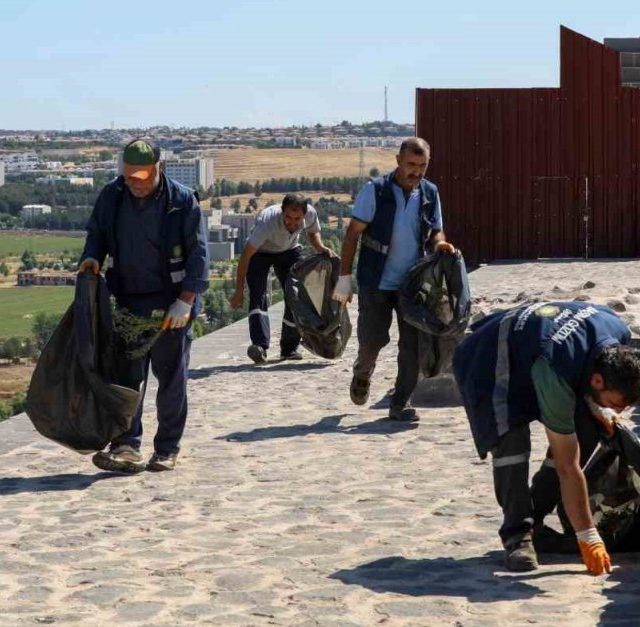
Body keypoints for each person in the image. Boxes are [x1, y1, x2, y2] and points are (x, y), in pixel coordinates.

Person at [451, 301, 640, 575]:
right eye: (615, 402)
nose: (618, 410)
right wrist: (588, 535)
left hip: (533, 351)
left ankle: (534, 517)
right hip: (489, 359)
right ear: (597, 381)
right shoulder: (556, 369)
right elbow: (567, 467)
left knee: (587, 430)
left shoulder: (619, 334)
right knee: (512, 444)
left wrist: (598, 408)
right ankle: (517, 536)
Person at [77, 139, 209, 474]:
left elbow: (199, 255)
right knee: (126, 378)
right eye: (129, 176)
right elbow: (97, 234)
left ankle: (166, 449)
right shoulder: (113, 195)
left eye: (141, 177)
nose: (134, 183)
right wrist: (91, 256)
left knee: (171, 380)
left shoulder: (181, 201)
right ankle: (125, 445)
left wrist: (186, 300)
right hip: (129, 301)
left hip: (171, 305)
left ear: (158, 168)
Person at [332, 137, 455, 422]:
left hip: (412, 285)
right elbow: (352, 235)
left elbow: (436, 231)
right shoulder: (375, 191)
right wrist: (344, 279)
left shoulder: (429, 193)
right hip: (376, 281)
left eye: (422, 166)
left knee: (411, 347)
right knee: (372, 340)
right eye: (411, 165)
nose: (417, 171)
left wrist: (440, 245)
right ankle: (363, 372)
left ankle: (401, 403)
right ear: (398, 160)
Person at [228, 194, 335, 363]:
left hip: (289, 251)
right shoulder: (268, 221)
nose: (292, 223)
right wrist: (239, 290)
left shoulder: (311, 214)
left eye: (297, 219)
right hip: (259, 253)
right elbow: (246, 256)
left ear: (304, 214)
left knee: (295, 295)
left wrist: (321, 247)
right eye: (288, 218)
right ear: (282, 212)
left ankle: (289, 349)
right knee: (258, 295)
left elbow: (313, 234)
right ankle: (260, 346)